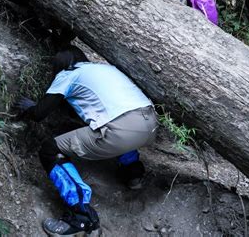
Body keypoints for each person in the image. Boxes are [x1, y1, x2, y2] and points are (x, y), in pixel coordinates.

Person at [15, 45, 158, 235]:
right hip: (150, 124)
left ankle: (81, 217)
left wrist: (30, 107)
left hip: (121, 132)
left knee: (50, 149)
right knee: (109, 122)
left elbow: (40, 113)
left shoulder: (68, 74)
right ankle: (133, 173)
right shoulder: (106, 69)